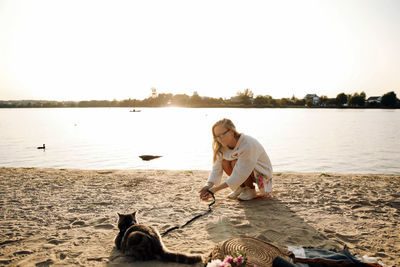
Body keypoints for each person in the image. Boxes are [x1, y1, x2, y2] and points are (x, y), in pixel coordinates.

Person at [199, 118, 273, 201]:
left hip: (261, 173)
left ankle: (250, 189)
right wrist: (208, 186)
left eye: (221, 135)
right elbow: (216, 169)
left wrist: (215, 190)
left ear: (231, 132)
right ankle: (241, 187)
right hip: (243, 172)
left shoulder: (247, 143)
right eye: (216, 136)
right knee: (225, 162)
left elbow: (240, 173)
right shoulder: (222, 146)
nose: (219, 139)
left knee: (235, 162)